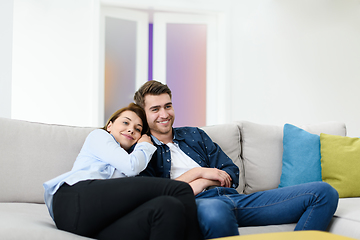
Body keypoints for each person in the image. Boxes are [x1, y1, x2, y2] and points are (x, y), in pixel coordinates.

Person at [134, 80, 339, 239]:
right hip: (200, 204)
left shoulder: (193, 134)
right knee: (216, 210)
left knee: (323, 192)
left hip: (236, 199)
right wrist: (201, 173)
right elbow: (157, 193)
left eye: (168, 106)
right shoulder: (144, 149)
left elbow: (231, 172)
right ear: (143, 115)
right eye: (155, 109)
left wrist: (206, 181)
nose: (164, 114)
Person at [43, 103, 203, 240]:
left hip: (92, 224)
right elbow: (130, 166)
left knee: (168, 207)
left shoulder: (137, 161)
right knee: (179, 189)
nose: (131, 130)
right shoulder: (99, 136)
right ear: (110, 125)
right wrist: (146, 145)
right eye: (125, 123)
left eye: (137, 129)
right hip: (73, 201)